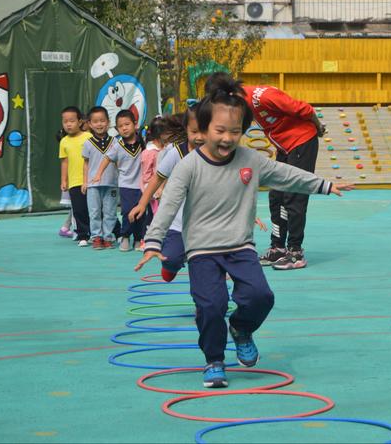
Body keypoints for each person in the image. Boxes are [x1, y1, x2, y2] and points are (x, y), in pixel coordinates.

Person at [135, 83, 353, 389]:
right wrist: (154, 241)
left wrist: (325, 185)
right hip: (201, 249)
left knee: (261, 297)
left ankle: (240, 328)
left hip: (240, 246)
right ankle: (214, 360)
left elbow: (286, 174)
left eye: (235, 131)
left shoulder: (250, 159)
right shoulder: (188, 166)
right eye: (220, 130)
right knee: (211, 305)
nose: (227, 138)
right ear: (205, 129)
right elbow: (168, 204)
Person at [204, 72, 327, 271]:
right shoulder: (241, 107)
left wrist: (318, 126)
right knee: (276, 196)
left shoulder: (263, 97)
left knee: (294, 196)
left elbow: (304, 108)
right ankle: (277, 247)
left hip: (302, 141)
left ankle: (295, 252)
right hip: (284, 147)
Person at [130, 105, 204, 282]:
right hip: (178, 222)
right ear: (186, 129)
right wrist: (142, 203)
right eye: (195, 131)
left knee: (205, 267)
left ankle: (205, 302)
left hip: (205, 226)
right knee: (170, 260)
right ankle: (173, 263)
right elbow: (157, 178)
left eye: (205, 130)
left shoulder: (219, 154)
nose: (200, 137)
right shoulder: (177, 153)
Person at [93, 109, 146, 252]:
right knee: (127, 211)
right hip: (126, 185)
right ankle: (125, 236)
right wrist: (98, 174)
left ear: (135, 124)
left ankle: (138, 238)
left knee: (141, 213)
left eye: (127, 124)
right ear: (116, 129)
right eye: (120, 126)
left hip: (143, 186)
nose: (124, 128)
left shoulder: (143, 142)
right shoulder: (117, 145)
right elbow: (106, 158)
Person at [83, 106, 119, 250]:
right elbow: (85, 164)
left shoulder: (116, 142)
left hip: (111, 183)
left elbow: (118, 162)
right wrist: (85, 181)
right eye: (95, 121)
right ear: (90, 124)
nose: (99, 124)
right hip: (93, 185)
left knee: (110, 212)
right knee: (94, 212)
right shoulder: (87, 143)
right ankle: (96, 237)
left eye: (102, 121)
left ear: (108, 122)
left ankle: (108, 237)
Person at [58, 107, 92, 246]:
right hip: (74, 182)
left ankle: (109, 233)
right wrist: (64, 180)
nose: (68, 124)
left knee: (97, 208)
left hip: (91, 181)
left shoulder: (89, 137)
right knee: (79, 210)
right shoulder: (64, 142)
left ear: (80, 121)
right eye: (65, 121)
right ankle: (83, 235)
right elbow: (64, 162)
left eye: (72, 121)